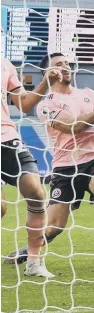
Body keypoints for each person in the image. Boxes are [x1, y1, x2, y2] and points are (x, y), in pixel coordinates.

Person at [5, 53, 94, 268]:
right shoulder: (45, 105)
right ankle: (28, 252)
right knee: (54, 227)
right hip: (64, 167)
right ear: (46, 73)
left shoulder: (88, 94)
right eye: (59, 65)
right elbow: (73, 127)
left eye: (67, 63)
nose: (66, 67)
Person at [1, 55, 60, 277]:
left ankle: (33, 263)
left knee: (36, 192)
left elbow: (23, 103)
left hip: (7, 137)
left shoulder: (5, 64)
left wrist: (46, 81)